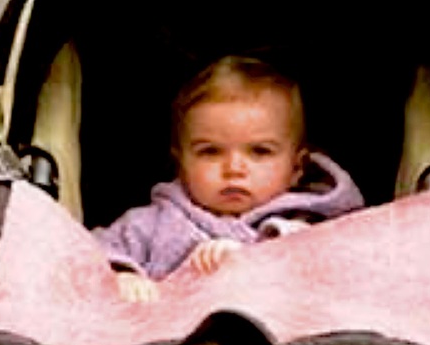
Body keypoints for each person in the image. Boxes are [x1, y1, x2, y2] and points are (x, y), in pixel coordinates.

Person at [93, 55, 364, 301]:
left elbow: (340, 268)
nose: (234, 168)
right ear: (181, 164)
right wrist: (122, 275)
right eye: (210, 151)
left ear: (296, 168)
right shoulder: (151, 224)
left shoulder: (314, 223)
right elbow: (91, 253)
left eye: (260, 151)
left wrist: (255, 255)